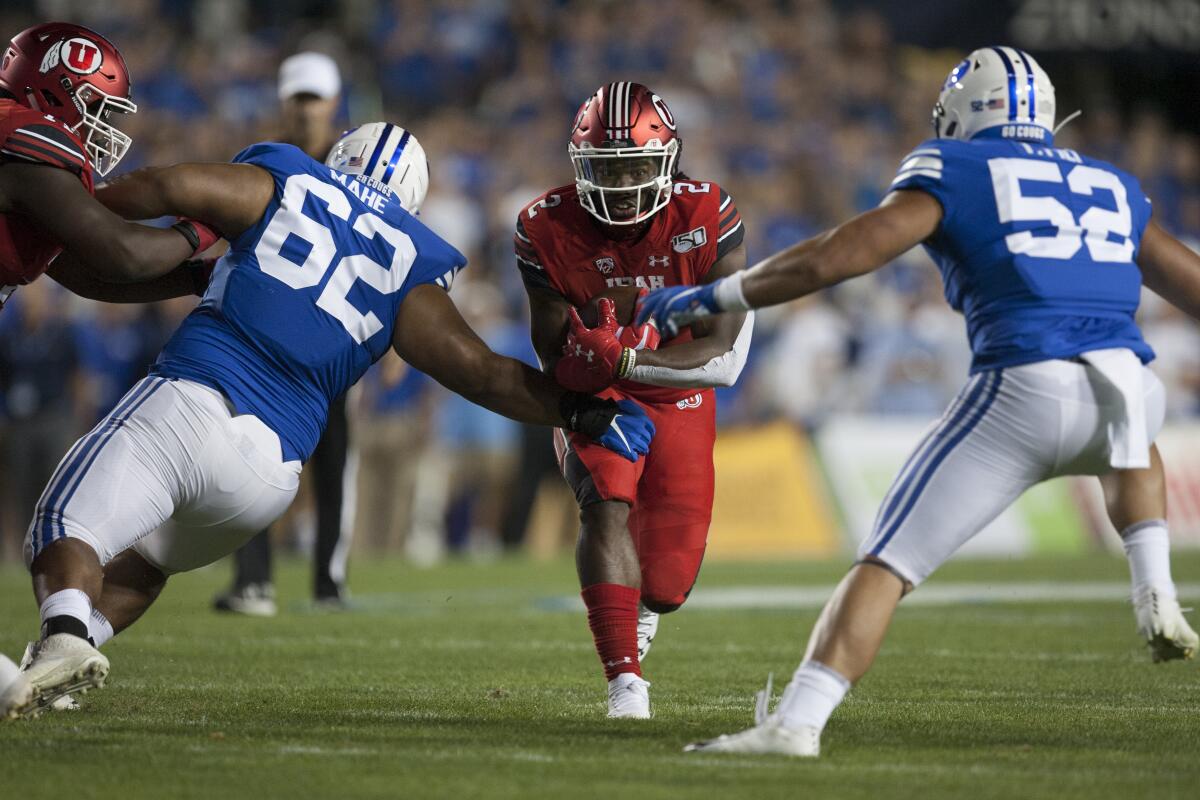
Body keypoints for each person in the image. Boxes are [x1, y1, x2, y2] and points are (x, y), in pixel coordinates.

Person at [637, 47, 1199, 756]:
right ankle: (1156, 595)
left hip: (1025, 385)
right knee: (1128, 422)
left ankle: (797, 723)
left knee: (886, 561)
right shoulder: (1113, 183)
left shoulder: (953, 166)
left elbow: (835, 257)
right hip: (1129, 387)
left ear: (967, 110)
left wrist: (711, 293)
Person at [6, 121, 654, 718]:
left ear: (337, 158)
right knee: (146, 566)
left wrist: (69, 215)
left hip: (200, 396)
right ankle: (50, 669)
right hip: (267, 478)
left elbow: (170, 186)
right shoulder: (411, 258)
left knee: (67, 522)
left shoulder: (288, 174)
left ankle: (64, 635)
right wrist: (579, 410)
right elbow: (482, 370)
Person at [522, 82, 753, 718]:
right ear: (580, 166)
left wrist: (629, 356)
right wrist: (585, 368)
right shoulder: (543, 226)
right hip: (604, 390)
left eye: (635, 166)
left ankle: (646, 609)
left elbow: (721, 348)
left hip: (679, 388)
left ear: (669, 162)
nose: (622, 183)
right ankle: (625, 682)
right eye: (606, 168)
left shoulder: (708, 213)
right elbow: (549, 352)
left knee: (671, 583)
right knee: (606, 507)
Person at [212, 51, 357, 615]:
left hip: (335, 338)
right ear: (284, 102)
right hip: (272, 338)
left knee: (334, 462)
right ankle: (254, 581)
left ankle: (329, 581)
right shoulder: (269, 163)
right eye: (298, 97)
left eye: (314, 97)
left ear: (333, 101)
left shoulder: (357, 165)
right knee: (252, 456)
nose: (306, 108)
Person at [0, 22, 217, 311]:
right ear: (54, 91)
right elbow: (124, 253)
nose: (100, 130)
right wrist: (210, 224)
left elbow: (88, 278)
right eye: (94, 109)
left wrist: (200, 276)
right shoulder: (22, 138)